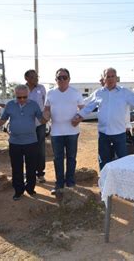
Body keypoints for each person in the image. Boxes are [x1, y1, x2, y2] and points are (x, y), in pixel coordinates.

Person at [72, 67, 134, 170]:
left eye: (112, 76)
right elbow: (88, 107)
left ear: (116, 78)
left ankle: (122, 183)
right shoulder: (98, 93)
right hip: (104, 134)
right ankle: (105, 183)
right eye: (107, 76)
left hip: (119, 133)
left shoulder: (124, 92)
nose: (110, 79)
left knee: (123, 160)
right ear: (104, 79)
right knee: (104, 161)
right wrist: (79, 116)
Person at [0, 85, 46, 201]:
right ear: (15, 95)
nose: (22, 99)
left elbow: (42, 120)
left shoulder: (34, 104)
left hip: (31, 142)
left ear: (28, 95)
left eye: (25, 97)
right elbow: (2, 120)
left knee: (31, 167)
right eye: (19, 97)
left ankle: (30, 189)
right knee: (16, 168)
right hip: (15, 142)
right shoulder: (10, 105)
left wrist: (49, 114)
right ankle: (18, 191)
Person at [44, 68, 84, 196]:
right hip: (56, 132)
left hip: (72, 132)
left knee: (71, 158)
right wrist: (45, 116)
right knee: (58, 159)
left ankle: (70, 184)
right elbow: (46, 109)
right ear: (55, 80)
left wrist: (78, 119)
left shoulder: (75, 92)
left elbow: (83, 110)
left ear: (69, 79)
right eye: (59, 78)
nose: (62, 80)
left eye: (64, 77)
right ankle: (59, 185)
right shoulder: (50, 93)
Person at [24, 69, 47, 183]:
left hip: (40, 124)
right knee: (28, 148)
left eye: (37, 76)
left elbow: (46, 104)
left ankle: (40, 174)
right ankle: (29, 173)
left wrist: (46, 119)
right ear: (26, 78)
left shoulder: (41, 88)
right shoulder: (22, 89)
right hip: (27, 124)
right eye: (33, 77)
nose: (36, 78)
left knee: (40, 149)